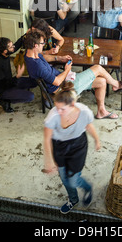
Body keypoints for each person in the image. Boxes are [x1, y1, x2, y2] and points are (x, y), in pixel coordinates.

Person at [24, 31, 120, 119]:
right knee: (98, 68)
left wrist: (60, 58)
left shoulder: (30, 54)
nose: (44, 45)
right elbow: (57, 82)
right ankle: (116, 84)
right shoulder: (37, 66)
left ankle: (101, 112)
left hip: (64, 80)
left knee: (102, 82)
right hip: (64, 89)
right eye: (42, 43)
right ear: (35, 45)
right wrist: (67, 70)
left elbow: (43, 56)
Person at [43, 81, 100, 214]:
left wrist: (97, 140)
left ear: (72, 105)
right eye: (57, 108)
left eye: (62, 109)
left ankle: (87, 187)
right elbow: (46, 139)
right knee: (64, 178)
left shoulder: (84, 112)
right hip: (60, 147)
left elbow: (89, 126)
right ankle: (73, 200)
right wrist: (49, 161)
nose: (59, 112)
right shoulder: (53, 116)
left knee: (73, 180)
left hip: (78, 146)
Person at [0, 35, 37, 113]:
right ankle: (5, 100)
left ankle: (15, 92)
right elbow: (4, 85)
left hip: (9, 81)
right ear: (5, 51)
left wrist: (24, 36)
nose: (13, 47)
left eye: (12, 45)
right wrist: (18, 76)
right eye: (11, 47)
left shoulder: (4, 53)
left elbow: (16, 45)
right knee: (30, 96)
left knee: (34, 82)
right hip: (2, 89)